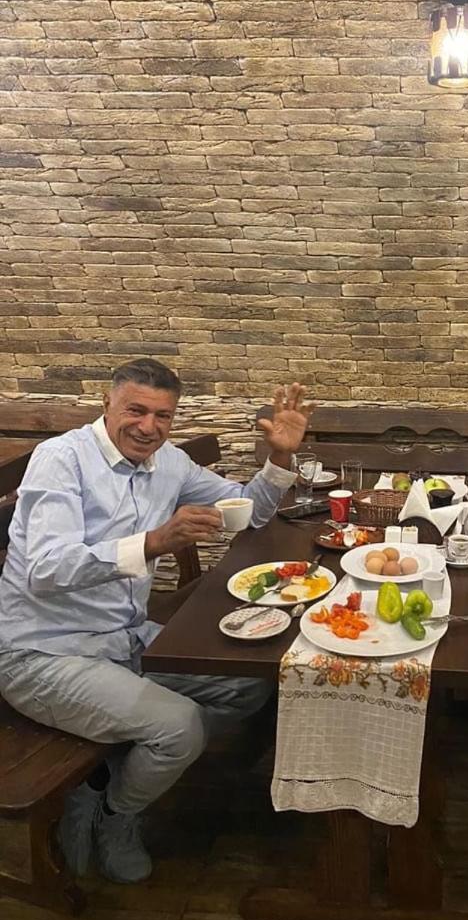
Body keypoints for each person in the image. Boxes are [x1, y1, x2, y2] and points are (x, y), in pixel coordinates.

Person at [0, 358, 314, 884]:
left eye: (162, 416)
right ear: (107, 403)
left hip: (126, 637)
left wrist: (279, 456)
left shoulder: (168, 462)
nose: (148, 427)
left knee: (248, 687)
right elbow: (46, 569)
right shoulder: (61, 460)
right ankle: (120, 815)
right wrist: (152, 543)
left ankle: (106, 787)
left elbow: (249, 511)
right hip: (43, 652)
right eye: (136, 411)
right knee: (179, 727)